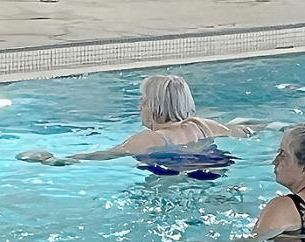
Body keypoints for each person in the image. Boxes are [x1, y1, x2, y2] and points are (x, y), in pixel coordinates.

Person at [19, 74, 260, 179]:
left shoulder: (149, 140)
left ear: (155, 106)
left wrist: (49, 159)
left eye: (142, 101)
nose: (139, 107)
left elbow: (102, 156)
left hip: (170, 180)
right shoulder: (205, 126)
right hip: (213, 172)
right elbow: (243, 131)